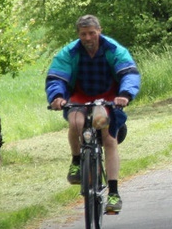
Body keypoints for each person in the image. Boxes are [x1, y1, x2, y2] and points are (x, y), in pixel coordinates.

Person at [46, 15, 141, 215]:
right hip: (80, 96)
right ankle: (76, 161)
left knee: (108, 138)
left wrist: (124, 94)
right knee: (75, 122)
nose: (88, 38)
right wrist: (57, 97)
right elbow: (57, 76)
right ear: (78, 35)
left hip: (108, 97)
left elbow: (129, 73)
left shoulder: (114, 49)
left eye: (91, 33)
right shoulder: (70, 52)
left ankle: (113, 192)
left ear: (99, 31)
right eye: (83, 34)